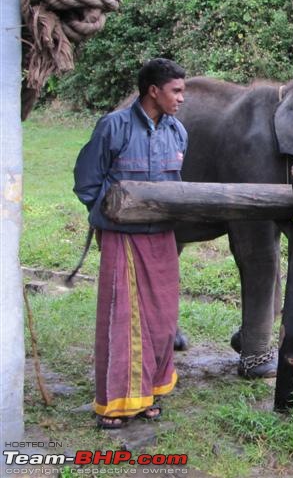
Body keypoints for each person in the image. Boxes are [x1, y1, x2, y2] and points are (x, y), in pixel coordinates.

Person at [73, 58, 188, 429]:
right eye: (176, 91)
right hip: (123, 239)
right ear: (153, 91)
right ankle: (117, 403)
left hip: (162, 239)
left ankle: (149, 393)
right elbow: (87, 183)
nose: (181, 98)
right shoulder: (114, 126)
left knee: (163, 319)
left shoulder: (178, 132)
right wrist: (111, 217)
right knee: (123, 319)